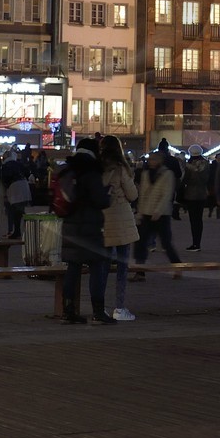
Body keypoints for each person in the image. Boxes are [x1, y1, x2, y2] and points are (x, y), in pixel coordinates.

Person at [57, 138, 113, 324]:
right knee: (97, 267)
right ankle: (98, 312)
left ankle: (68, 310)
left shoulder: (67, 170)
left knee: (73, 268)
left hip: (70, 226)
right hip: (90, 227)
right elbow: (102, 201)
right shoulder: (92, 171)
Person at [97, 136, 139, 321]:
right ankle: (120, 308)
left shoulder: (97, 168)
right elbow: (132, 194)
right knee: (122, 267)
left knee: (102, 267)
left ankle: (100, 307)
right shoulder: (121, 169)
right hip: (121, 220)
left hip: (102, 219)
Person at [134, 151, 182, 266]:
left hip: (162, 214)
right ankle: (140, 270)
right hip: (146, 212)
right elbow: (143, 194)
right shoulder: (145, 174)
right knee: (141, 242)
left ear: (160, 160)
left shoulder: (168, 174)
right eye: (150, 159)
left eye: (154, 159)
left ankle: (177, 265)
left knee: (166, 243)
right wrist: (139, 212)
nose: (151, 162)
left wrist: (158, 210)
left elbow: (167, 194)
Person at [180, 144, 212, 251]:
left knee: (193, 220)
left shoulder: (188, 166)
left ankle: (195, 243)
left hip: (191, 194)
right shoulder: (206, 164)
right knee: (199, 220)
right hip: (202, 194)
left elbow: (185, 179)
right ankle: (197, 242)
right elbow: (208, 178)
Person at [2, 150, 33, 239]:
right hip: (24, 185)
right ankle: (26, 230)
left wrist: (5, 192)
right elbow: (27, 172)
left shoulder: (5, 166)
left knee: (16, 211)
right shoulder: (18, 164)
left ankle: (17, 231)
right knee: (22, 209)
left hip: (14, 187)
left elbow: (5, 179)